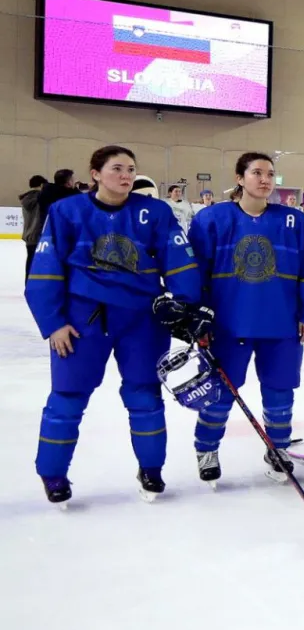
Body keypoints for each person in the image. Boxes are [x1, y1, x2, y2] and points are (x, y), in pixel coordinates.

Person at [26, 146, 201, 504]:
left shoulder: (155, 211)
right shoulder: (66, 211)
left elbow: (180, 261)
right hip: (81, 322)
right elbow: (45, 272)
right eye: (117, 168)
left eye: (131, 169)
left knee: (146, 397)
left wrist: (185, 305)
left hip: (142, 320)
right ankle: (54, 474)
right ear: (94, 173)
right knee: (67, 399)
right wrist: (53, 323)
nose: (125, 176)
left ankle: (151, 470)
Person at [187, 152, 304, 485]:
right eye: (257, 173)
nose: (265, 180)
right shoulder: (211, 220)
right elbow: (194, 275)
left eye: (270, 174)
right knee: (219, 393)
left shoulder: (295, 221)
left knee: (280, 392)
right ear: (239, 178)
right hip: (228, 325)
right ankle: (206, 448)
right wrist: (198, 318)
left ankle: (277, 448)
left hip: (282, 324)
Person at [20, 174, 46, 276]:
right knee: (37, 264)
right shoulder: (40, 198)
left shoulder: (26, 199)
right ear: (41, 185)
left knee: (30, 261)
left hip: (29, 235)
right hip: (37, 235)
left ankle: (28, 284)